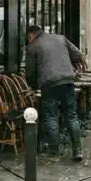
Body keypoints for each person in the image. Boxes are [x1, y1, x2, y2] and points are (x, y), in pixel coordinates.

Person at [24, 25, 85, 161]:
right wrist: (68, 64)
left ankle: (54, 152)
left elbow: (30, 73)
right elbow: (78, 55)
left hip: (49, 84)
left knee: (51, 117)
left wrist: (34, 86)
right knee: (71, 116)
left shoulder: (32, 46)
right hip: (67, 81)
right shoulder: (60, 38)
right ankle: (78, 150)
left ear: (31, 36)